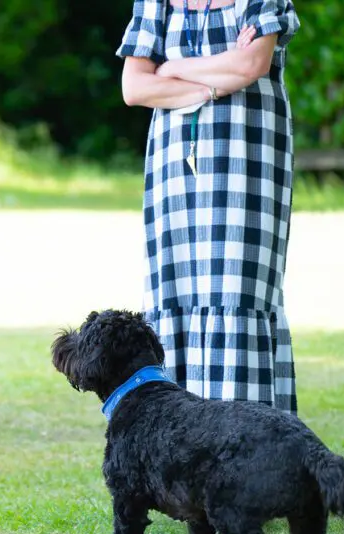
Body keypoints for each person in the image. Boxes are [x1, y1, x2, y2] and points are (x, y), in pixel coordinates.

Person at [116, 0, 301, 413]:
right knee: (176, 288)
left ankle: (252, 453)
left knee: (238, 289)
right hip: (174, 168)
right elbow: (134, 88)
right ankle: (180, 448)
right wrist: (213, 83)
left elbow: (250, 66)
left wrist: (172, 68)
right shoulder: (156, 2)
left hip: (246, 160)